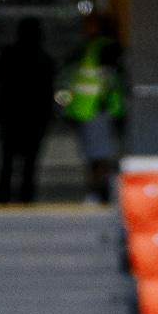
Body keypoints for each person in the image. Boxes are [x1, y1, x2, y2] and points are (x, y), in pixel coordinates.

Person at [56, 13, 127, 206]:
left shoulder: (104, 47)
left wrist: (103, 101)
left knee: (99, 156)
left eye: (89, 25)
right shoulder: (91, 48)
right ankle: (98, 191)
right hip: (88, 110)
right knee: (94, 155)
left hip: (98, 109)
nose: (85, 29)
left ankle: (101, 193)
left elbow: (109, 77)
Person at [0, 17, 57, 207]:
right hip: (34, 118)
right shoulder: (44, 59)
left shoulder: (8, 55)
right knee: (29, 163)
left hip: (12, 116)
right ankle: (25, 198)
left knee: (7, 161)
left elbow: (2, 86)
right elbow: (47, 91)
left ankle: (3, 197)